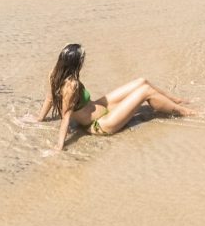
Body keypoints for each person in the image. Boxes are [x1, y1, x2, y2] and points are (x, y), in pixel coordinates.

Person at [32, 42, 195, 150]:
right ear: (76, 63)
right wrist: (59, 146)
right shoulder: (71, 85)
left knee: (142, 81)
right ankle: (186, 112)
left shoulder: (54, 74)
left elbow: (49, 98)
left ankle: (175, 101)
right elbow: (66, 116)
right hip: (101, 124)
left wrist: (40, 118)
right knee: (146, 91)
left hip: (100, 108)